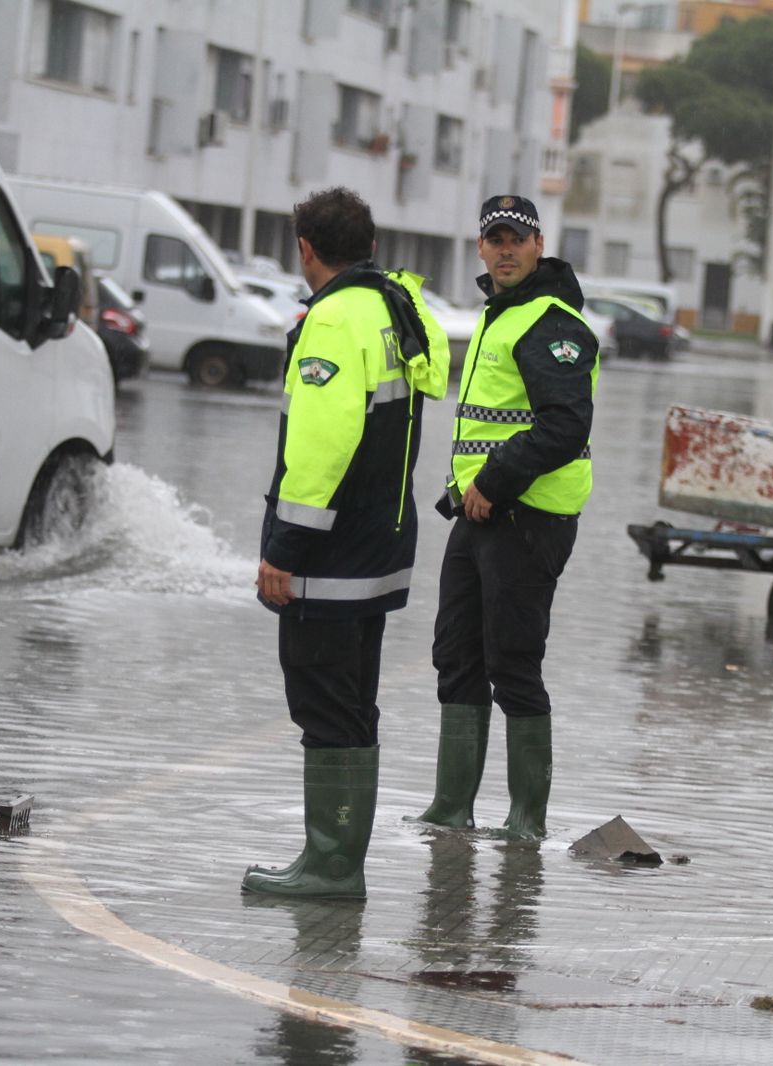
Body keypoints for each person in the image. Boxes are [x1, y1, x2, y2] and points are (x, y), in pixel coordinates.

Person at [243, 187, 448, 899]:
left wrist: (284, 549)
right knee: (355, 706)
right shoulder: (396, 309)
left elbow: (324, 447)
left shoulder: (332, 322)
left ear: (306, 250)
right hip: (379, 550)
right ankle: (339, 860)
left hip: (327, 560)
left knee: (324, 705)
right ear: (370, 246)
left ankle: (331, 865)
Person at [411, 194, 599, 839]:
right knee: (456, 655)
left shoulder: (551, 321)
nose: (507, 249)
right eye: (496, 239)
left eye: (518, 239)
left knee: (513, 664)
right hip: (480, 513)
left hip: (530, 514)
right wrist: (467, 488)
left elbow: (565, 426)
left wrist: (493, 480)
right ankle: (452, 809)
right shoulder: (501, 313)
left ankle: (525, 822)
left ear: (538, 245)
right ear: (481, 247)